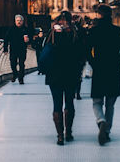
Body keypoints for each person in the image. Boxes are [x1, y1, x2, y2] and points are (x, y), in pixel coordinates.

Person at [86, 4, 120, 145]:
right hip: (113, 70)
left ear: (99, 15)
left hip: (99, 69)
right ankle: (107, 131)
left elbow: (87, 50)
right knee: (110, 104)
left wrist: (93, 63)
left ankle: (101, 121)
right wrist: (117, 60)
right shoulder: (117, 31)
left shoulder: (94, 31)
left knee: (97, 101)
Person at [43, 11, 84, 145]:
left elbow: (44, 51)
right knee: (69, 103)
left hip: (54, 75)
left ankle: (60, 136)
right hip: (71, 75)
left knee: (57, 104)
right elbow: (81, 55)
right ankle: (69, 132)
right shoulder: (74, 34)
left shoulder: (52, 34)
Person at [3, 14, 30, 84]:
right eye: (17, 20)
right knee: (13, 63)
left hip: (22, 49)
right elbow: (6, 39)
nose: (19, 22)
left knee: (21, 64)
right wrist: (5, 49)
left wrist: (28, 40)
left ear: (23, 21)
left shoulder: (26, 29)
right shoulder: (11, 29)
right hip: (13, 49)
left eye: (20, 21)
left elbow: (30, 39)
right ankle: (15, 74)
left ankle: (21, 78)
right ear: (15, 21)